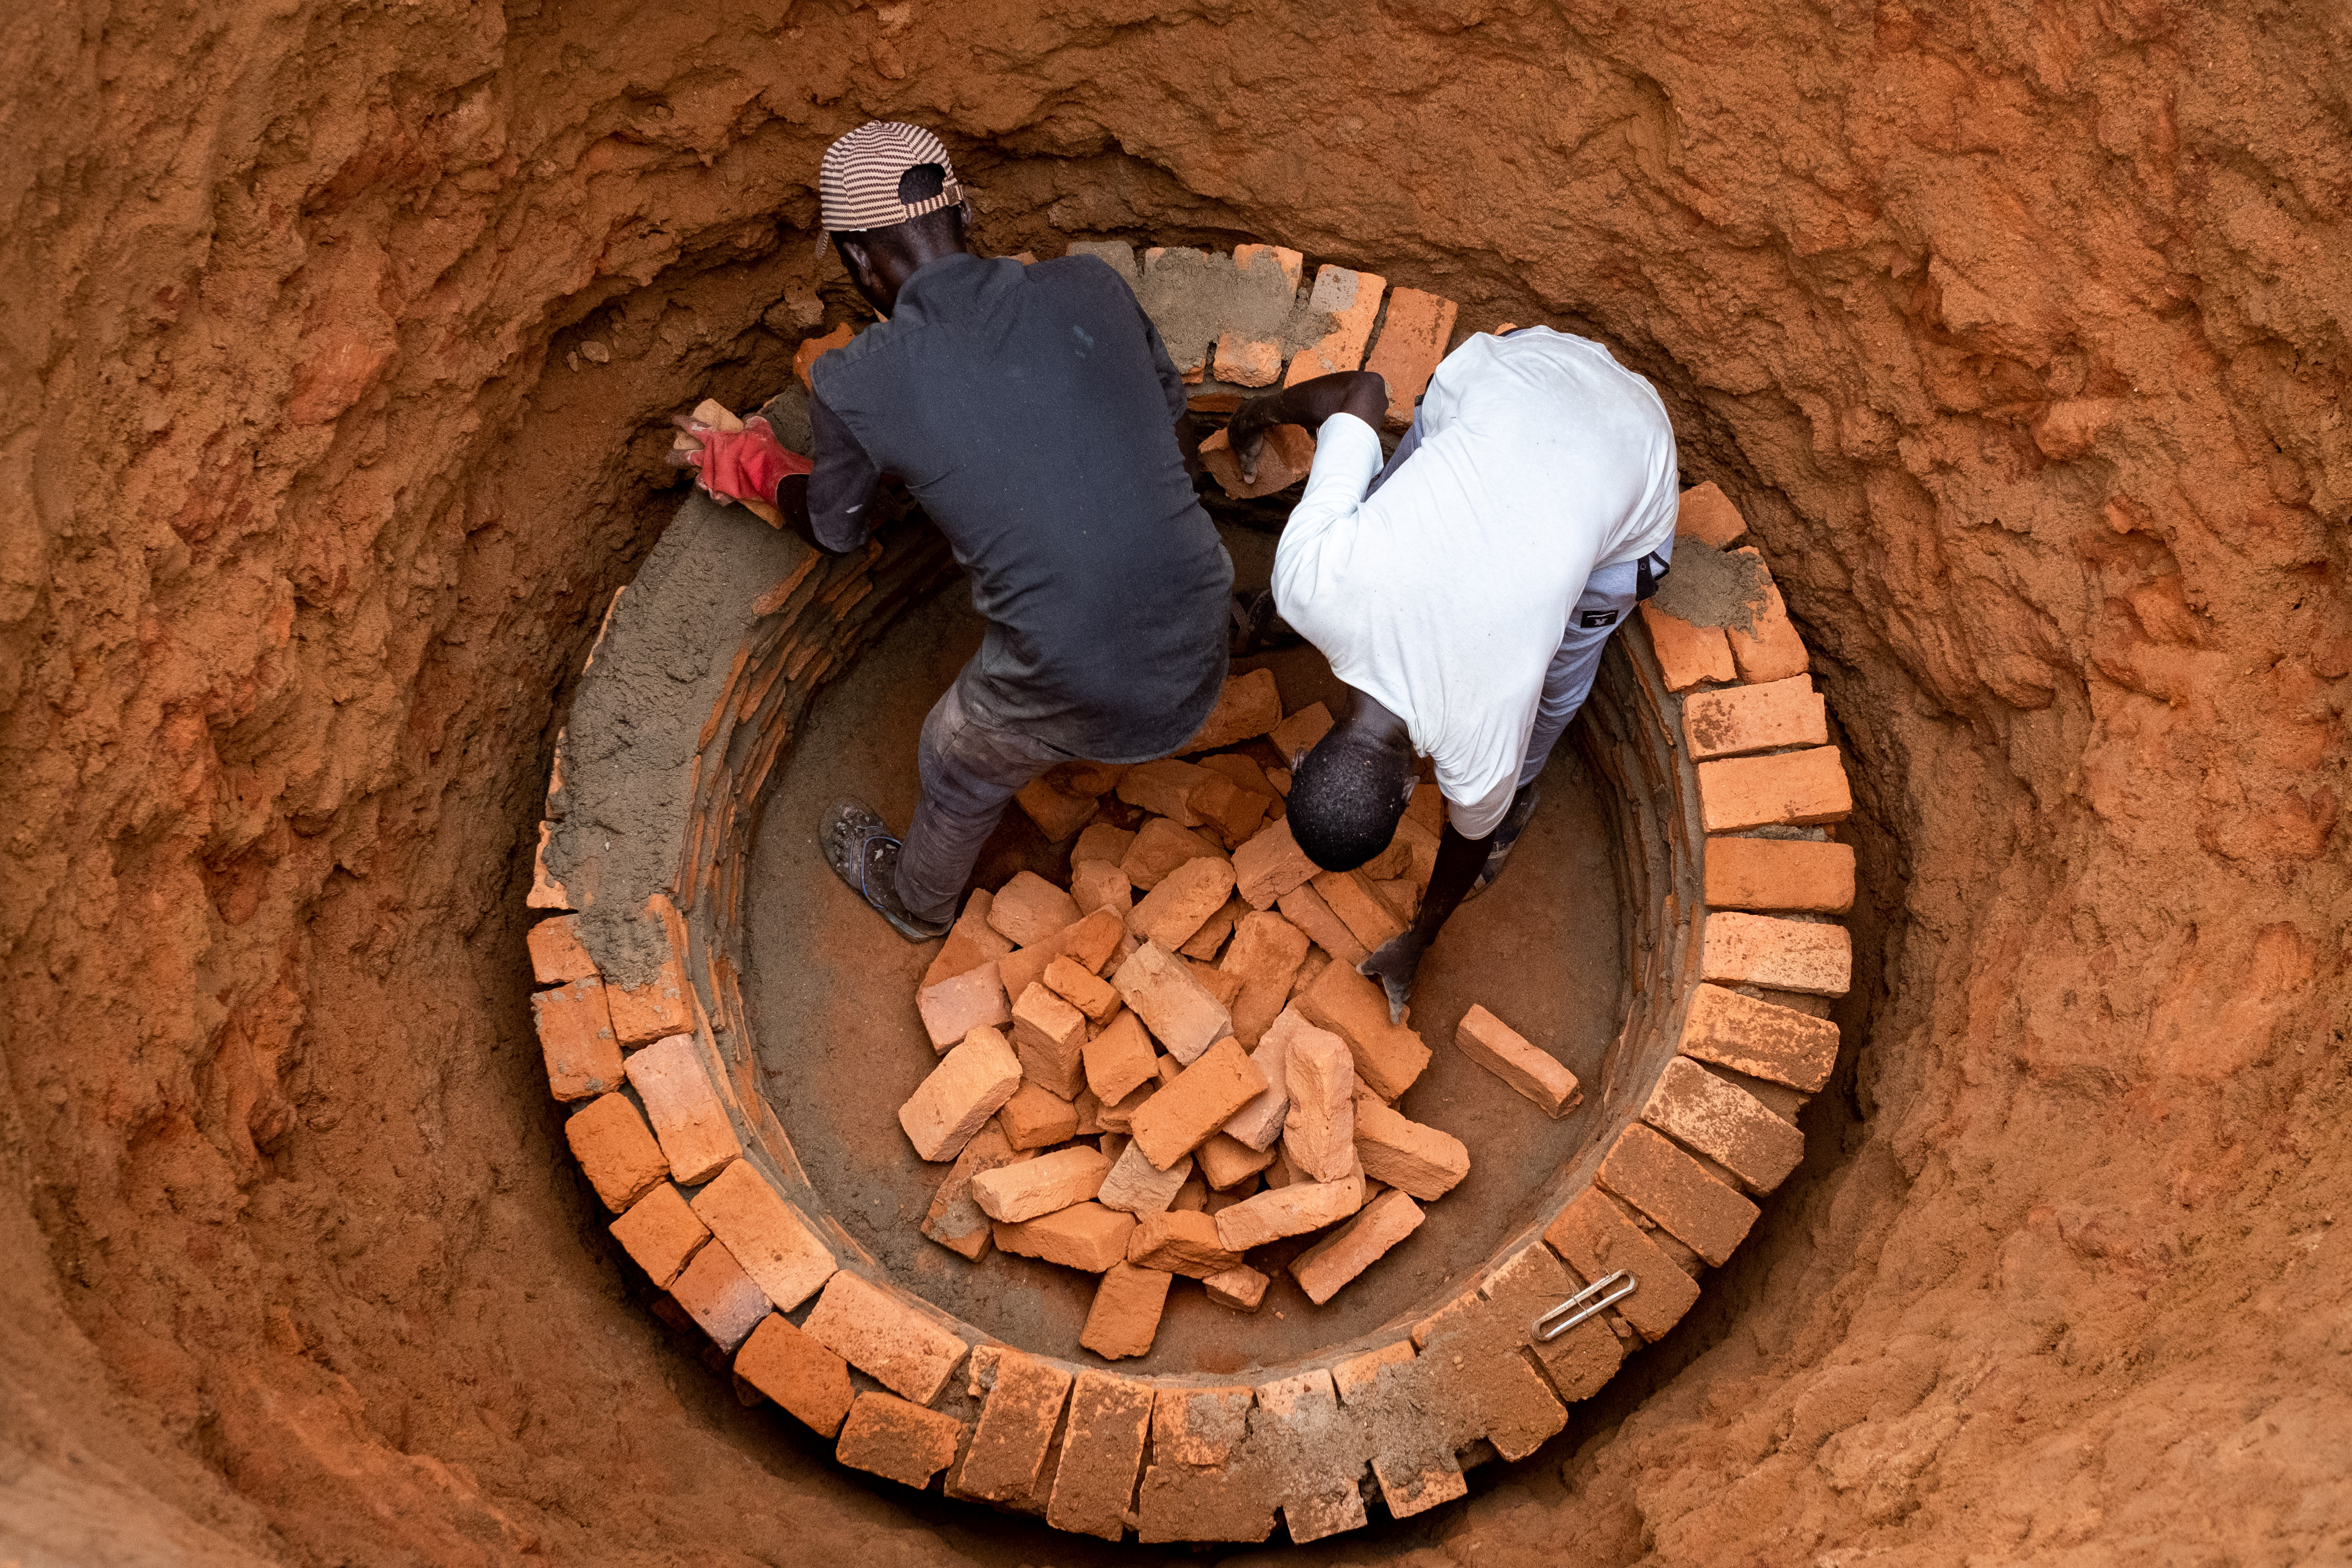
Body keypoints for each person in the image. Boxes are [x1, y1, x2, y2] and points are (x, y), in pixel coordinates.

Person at [675, 121, 1232, 939]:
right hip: (1203, 609)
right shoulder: (1091, 285)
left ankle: (917, 901)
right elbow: (1175, 436)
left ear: (861, 263)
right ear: (964, 215)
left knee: (956, 749)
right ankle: (1245, 627)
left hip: (1085, 678)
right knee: (1143, 558)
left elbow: (837, 530)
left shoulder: (857, 380)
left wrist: (758, 466)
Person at [1224, 326, 1678, 1020]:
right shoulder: (1311, 582)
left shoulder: (1488, 739)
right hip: (1518, 370)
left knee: (1555, 687)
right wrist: (1256, 415)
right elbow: (1366, 392)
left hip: (1638, 451)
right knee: (1376, 497)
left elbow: (1471, 839)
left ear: (1413, 791)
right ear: (1306, 754)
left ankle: (1524, 799)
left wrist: (1420, 938)